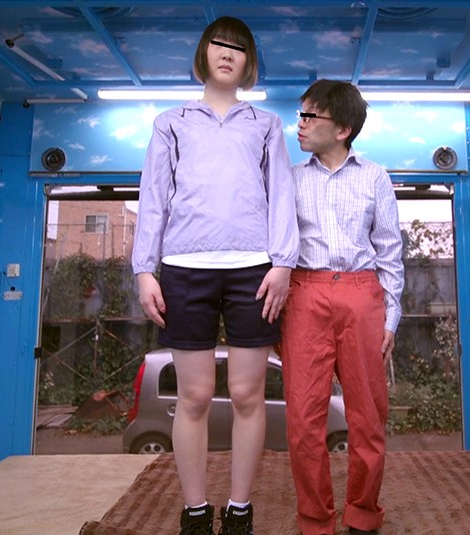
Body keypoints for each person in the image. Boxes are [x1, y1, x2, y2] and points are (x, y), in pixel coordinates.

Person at [131, 16, 299, 535]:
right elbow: (153, 197)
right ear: (203, 53)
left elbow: (282, 194)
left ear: (249, 62)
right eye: (219, 44)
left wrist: (283, 263)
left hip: (253, 270)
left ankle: (240, 510)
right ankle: (196, 511)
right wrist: (145, 269)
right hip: (184, 269)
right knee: (195, 397)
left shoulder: (266, 124)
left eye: (238, 48)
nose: (227, 53)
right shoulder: (171, 122)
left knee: (248, 395)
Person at [280, 79, 404, 535]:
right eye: (300, 114)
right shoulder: (290, 178)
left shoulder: (374, 176)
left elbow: (389, 250)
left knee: (368, 416)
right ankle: (316, 520)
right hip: (304, 292)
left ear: (342, 129)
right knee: (302, 420)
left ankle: (363, 514)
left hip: (361, 293)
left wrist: (391, 317)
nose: (300, 124)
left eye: (310, 116)